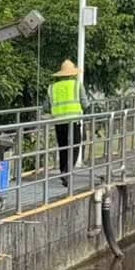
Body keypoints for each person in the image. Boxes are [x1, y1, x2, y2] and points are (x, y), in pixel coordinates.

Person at [50, 59, 84, 187]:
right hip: (73, 121)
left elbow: (46, 106)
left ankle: (62, 170)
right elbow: (85, 102)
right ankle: (67, 171)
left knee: (63, 147)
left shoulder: (53, 87)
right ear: (72, 74)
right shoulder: (77, 85)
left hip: (59, 122)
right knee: (74, 146)